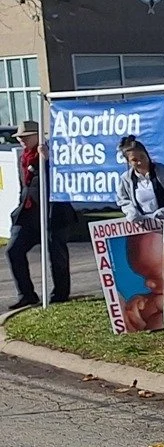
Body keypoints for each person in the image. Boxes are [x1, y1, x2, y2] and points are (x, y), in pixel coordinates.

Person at [8, 120, 74, 309]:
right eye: (19, 137)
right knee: (13, 250)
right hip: (28, 214)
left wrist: (47, 161)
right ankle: (26, 294)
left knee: (57, 253)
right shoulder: (25, 157)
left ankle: (60, 294)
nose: (21, 140)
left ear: (38, 136)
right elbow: (26, 186)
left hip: (54, 213)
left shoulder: (53, 154)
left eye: (26, 136)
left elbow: (62, 179)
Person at [115, 136, 164, 222]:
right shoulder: (126, 179)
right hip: (144, 225)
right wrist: (132, 213)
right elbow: (123, 200)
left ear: (147, 154)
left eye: (142, 157)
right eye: (134, 160)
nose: (140, 162)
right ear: (128, 162)